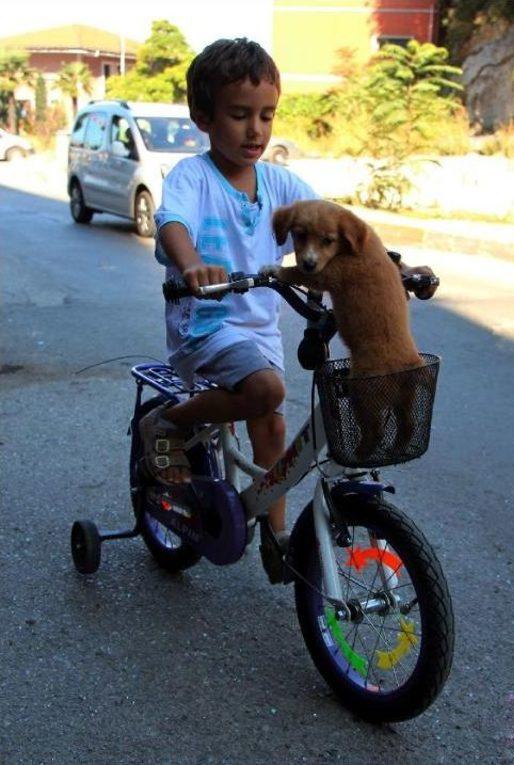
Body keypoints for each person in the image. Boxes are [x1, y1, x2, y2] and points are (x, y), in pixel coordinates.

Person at [139, 38, 318, 581]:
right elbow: (174, 224)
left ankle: (275, 533)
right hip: (206, 326)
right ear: (204, 116)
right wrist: (191, 264)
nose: (256, 130)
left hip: (258, 331)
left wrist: (383, 264)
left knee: (271, 420)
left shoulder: (281, 183)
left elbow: (324, 222)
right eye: (239, 115)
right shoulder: (194, 178)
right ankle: (164, 422)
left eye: (266, 115)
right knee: (268, 391)